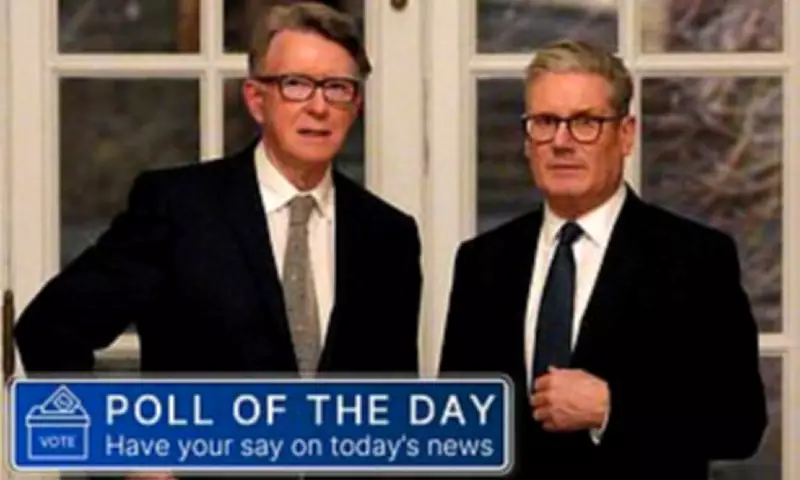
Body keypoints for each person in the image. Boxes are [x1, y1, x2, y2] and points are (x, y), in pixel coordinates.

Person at [15, 3, 422, 382]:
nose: (319, 107)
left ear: (356, 105)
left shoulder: (389, 237)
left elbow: (397, 404)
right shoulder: (178, 210)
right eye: (296, 84)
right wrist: (116, 435)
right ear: (256, 100)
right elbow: (50, 329)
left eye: (337, 88)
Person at [438, 39, 767, 479]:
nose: (561, 141)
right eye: (545, 122)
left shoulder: (694, 259)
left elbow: (740, 423)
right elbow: (457, 429)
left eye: (585, 123)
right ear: (527, 139)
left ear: (625, 135)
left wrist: (612, 408)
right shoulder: (483, 261)